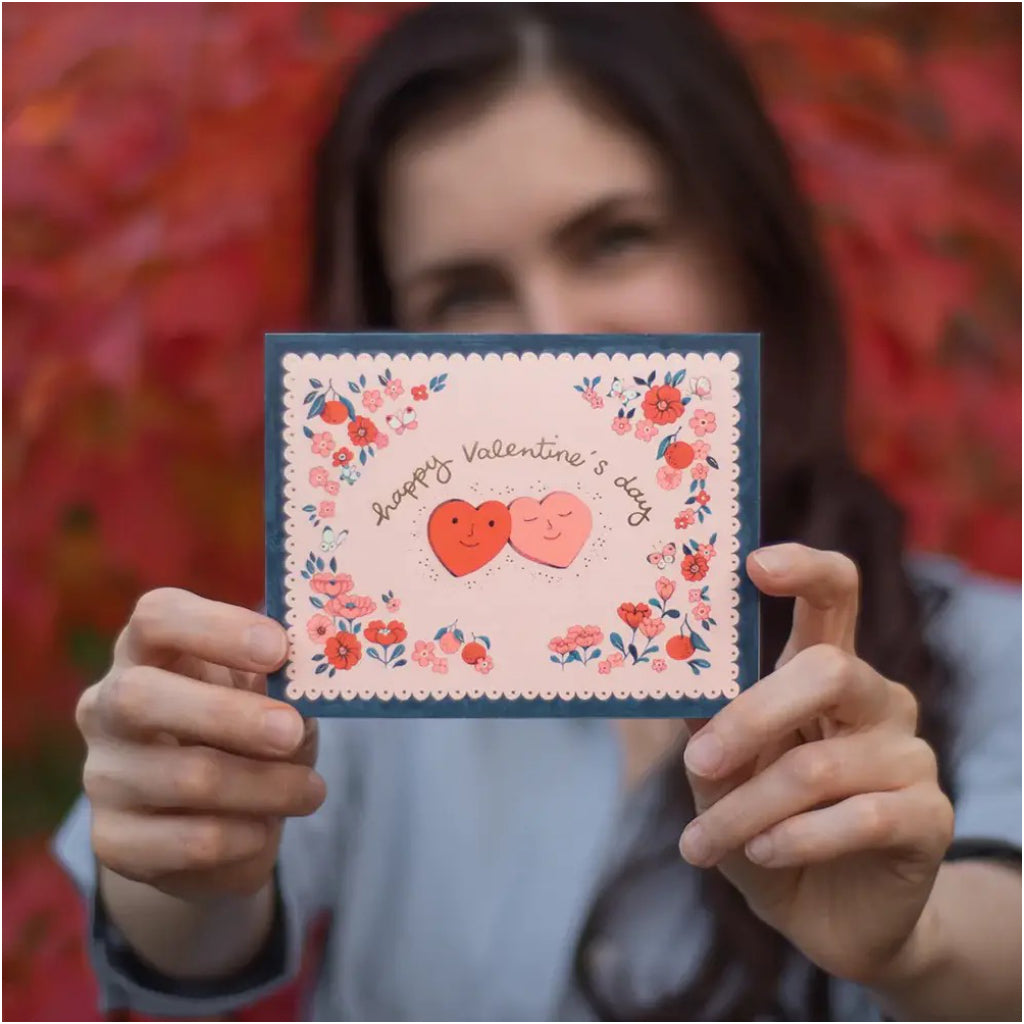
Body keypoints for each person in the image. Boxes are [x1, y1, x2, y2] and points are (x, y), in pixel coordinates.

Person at [55, 5, 1021, 1020]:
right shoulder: (346, 643)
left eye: (614, 239)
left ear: (751, 249)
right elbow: (185, 939)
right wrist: (173, 860)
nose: (554, 335)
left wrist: (912, 938)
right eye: (464, 294)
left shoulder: (997, 652)